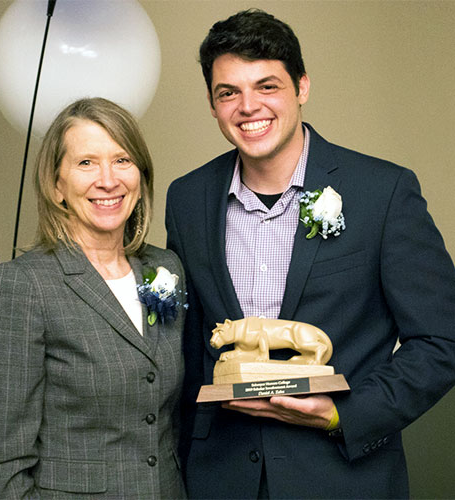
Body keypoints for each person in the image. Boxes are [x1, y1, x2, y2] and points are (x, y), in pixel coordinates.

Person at [165, 9, 455, 499]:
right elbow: (189, 349)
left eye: (267, 86)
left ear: (301, 87)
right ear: (212, 105)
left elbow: (443, 340)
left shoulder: (382, 192)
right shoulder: (187, 198)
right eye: (228, 92)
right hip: (220, 479)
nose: (247, 106)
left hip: (343, 476)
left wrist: (345, 414)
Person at [0, 97, 187, 499]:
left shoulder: (165, 268)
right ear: (57, 185)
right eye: (86, 163)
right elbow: (6, 463)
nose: (107, 180)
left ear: (140, 177)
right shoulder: (23, 286)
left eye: (122, 160)